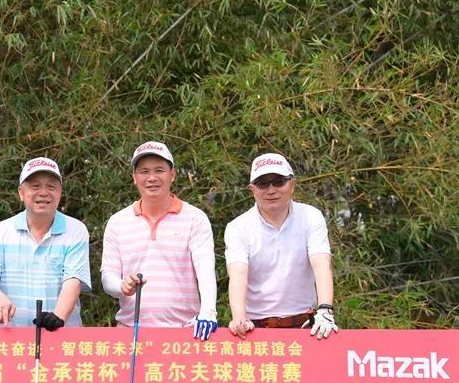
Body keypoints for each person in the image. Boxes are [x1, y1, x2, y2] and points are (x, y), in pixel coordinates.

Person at [101, 141, 218, 340]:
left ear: (172, 175)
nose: (152, 178)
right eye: (144, 171)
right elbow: (107, 277)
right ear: (134, 177)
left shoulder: (195, 218)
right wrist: (122, 285)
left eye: (159, 170)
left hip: (184, 333)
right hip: (130, 332)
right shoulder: (117, 222)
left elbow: (205, 269)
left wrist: (208, 311)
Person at [224, 152, 337, 340]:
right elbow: (237, 275)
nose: (271, 190)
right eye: (263, 184)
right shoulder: (238, 227)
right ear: (252, 189)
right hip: (255, 329)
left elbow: (321, 264)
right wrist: (239, 318)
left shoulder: (311, 216)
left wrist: (325, 309)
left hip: (306, 326)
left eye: (278, 182)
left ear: (292, 184)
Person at [0, 157, 91, 329]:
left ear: (60, 192)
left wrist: (58, 316)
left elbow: (73, 281)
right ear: (21, 193)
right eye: (35, 186)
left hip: (63, 335)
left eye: (51, 186)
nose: (43, 192)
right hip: (10, 336)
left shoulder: (75, 230)